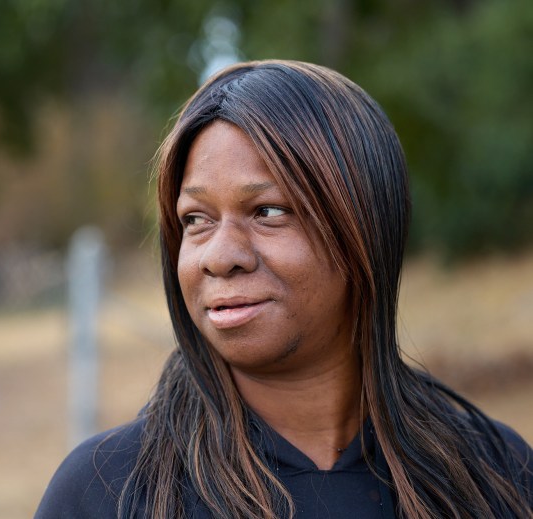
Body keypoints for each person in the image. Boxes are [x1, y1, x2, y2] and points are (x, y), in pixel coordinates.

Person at [35, 60, 533, 518]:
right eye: (196, 219)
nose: (219, 256)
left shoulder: (494, 476)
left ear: (365, 226)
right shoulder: (107, 492)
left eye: (268, 211)